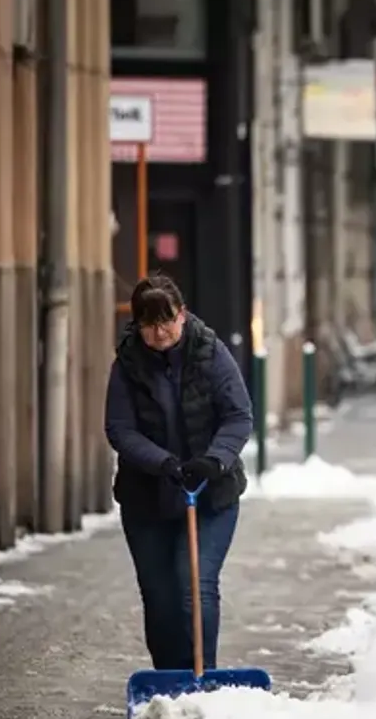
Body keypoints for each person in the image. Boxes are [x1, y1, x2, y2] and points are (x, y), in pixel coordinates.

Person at [104, 273, 253, 671]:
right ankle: (170, 682)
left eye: (167, 320)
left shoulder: (210, 352)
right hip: (147, 500)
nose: (160, 331)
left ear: (182, 315)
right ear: (137, 324)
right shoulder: (128, 365)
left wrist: (213, 460)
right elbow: (120, 429)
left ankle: (202, 677)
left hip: (211, 495)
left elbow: (238, 415)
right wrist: (163, 463)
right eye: (149, 324)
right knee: (161, 597)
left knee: (196, 589)